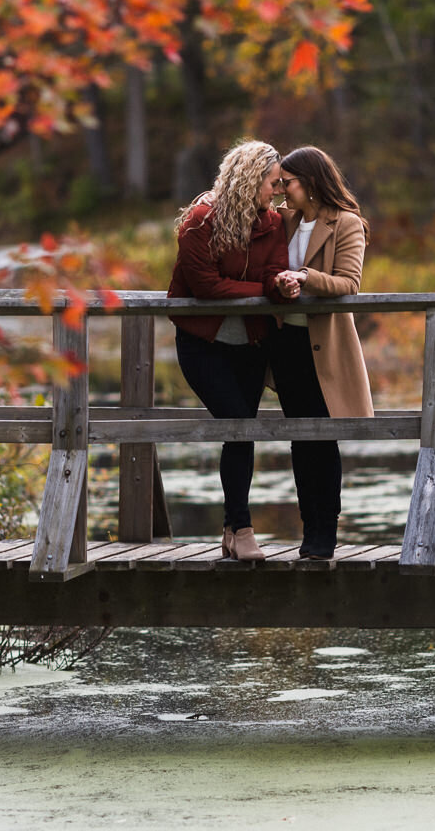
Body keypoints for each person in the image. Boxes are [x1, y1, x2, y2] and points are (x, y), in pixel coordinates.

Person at [167, 139, 289, 561]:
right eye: (273, 182)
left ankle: (232, 531)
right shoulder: (201, 222)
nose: (277, 191)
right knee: (237, 424)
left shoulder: (272, 223)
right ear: (252, 178)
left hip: (252, 345)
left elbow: (274, 272)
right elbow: (206, 288)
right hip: (203, 345)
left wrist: (280, 286)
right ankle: (244, 528)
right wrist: (264, 292)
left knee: (243, 432)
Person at [267, 146, 374, 560]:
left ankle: (323, 536)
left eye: (286, 183)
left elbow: (349, 284)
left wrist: (305, 278)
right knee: (299, 438)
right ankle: (307, 529)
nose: (281, 191)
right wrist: (280, 284)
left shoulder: (347, 224)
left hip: (323, 346)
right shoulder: (284, 220)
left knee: (322, 438)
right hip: (285, 346)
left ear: (309, 182)